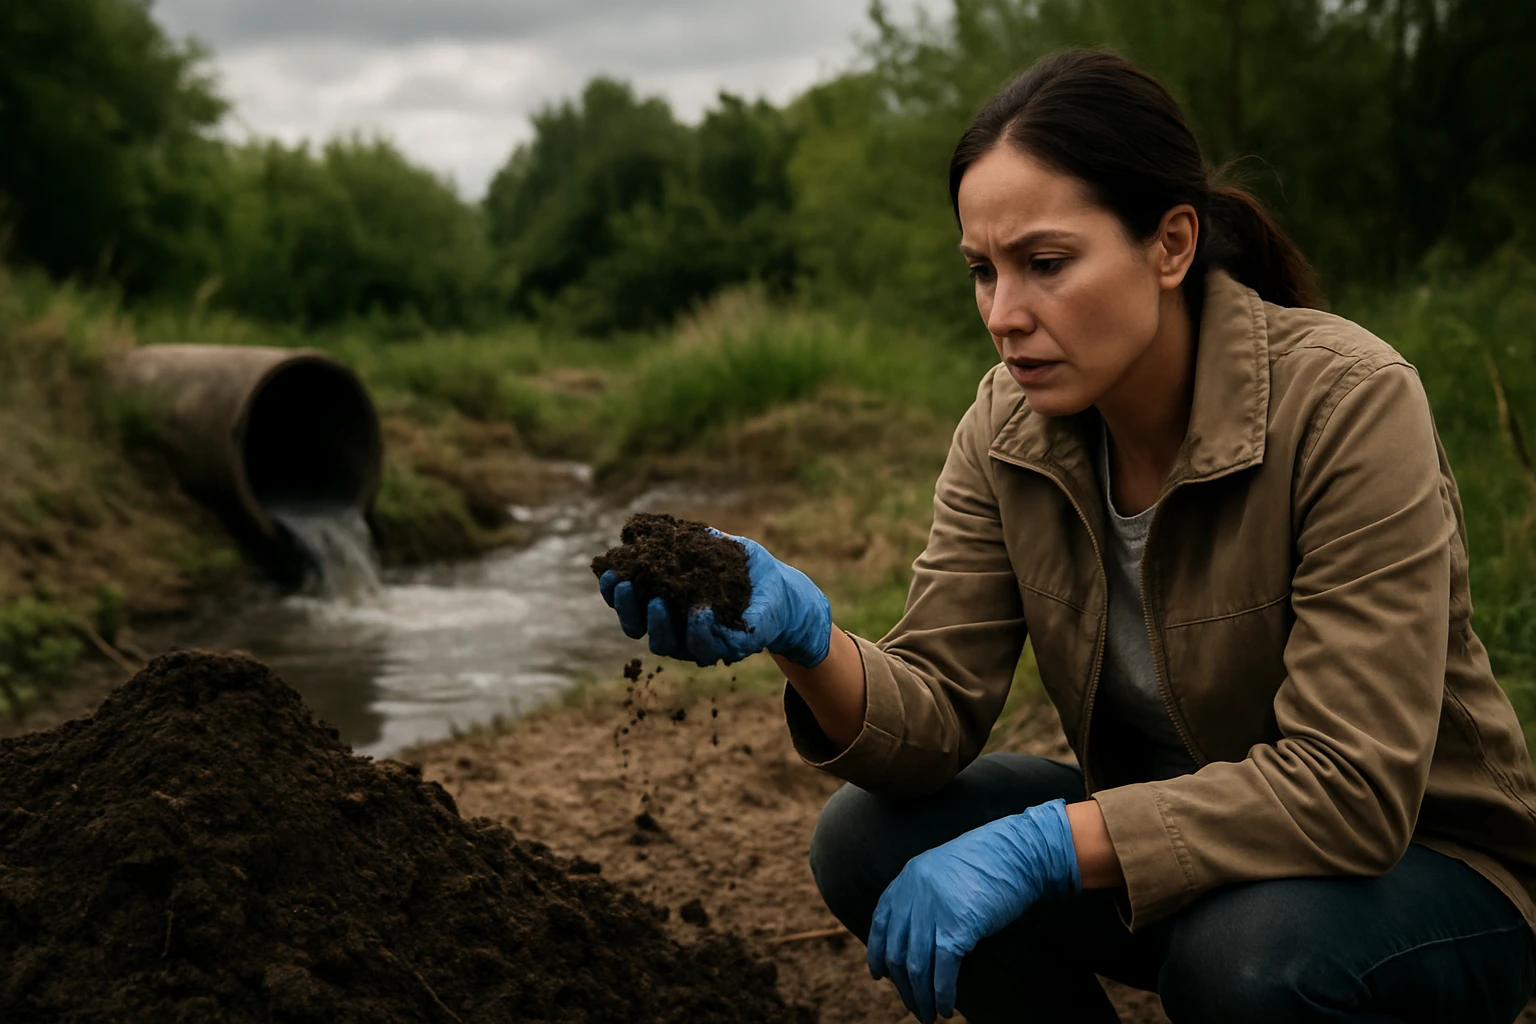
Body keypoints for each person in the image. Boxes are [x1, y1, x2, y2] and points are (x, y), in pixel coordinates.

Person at [596, 49, 1536, 1024]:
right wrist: (805, 638)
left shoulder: (1347, 402)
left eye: (1045, 264)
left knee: (1245, 963)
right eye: (981, 271)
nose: (1004, 315)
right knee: (866, 840)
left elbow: (1352, 788)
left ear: (1171, 245)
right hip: (1175, 851)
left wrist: (1041, 847)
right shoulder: (1008, 427)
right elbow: (933, 720)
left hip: (1421, 871)